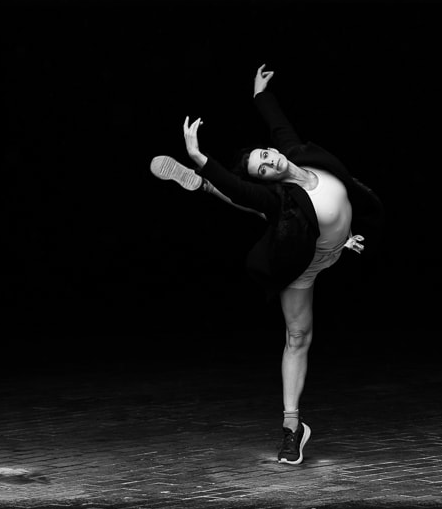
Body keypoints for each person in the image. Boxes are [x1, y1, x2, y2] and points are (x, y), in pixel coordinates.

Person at [150, 64, 384, 465]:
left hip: (327, 242)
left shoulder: (299, 154)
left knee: (266, 211)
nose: (268, 162)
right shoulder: (281, 199)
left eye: (264, 157)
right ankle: (292, 428)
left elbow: (280, 127)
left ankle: (205, 185)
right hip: (302, 260)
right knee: (297, 337)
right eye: (262, 169)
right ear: (266, 177)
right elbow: (245, 189)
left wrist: (261, 95)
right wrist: (201, 159)